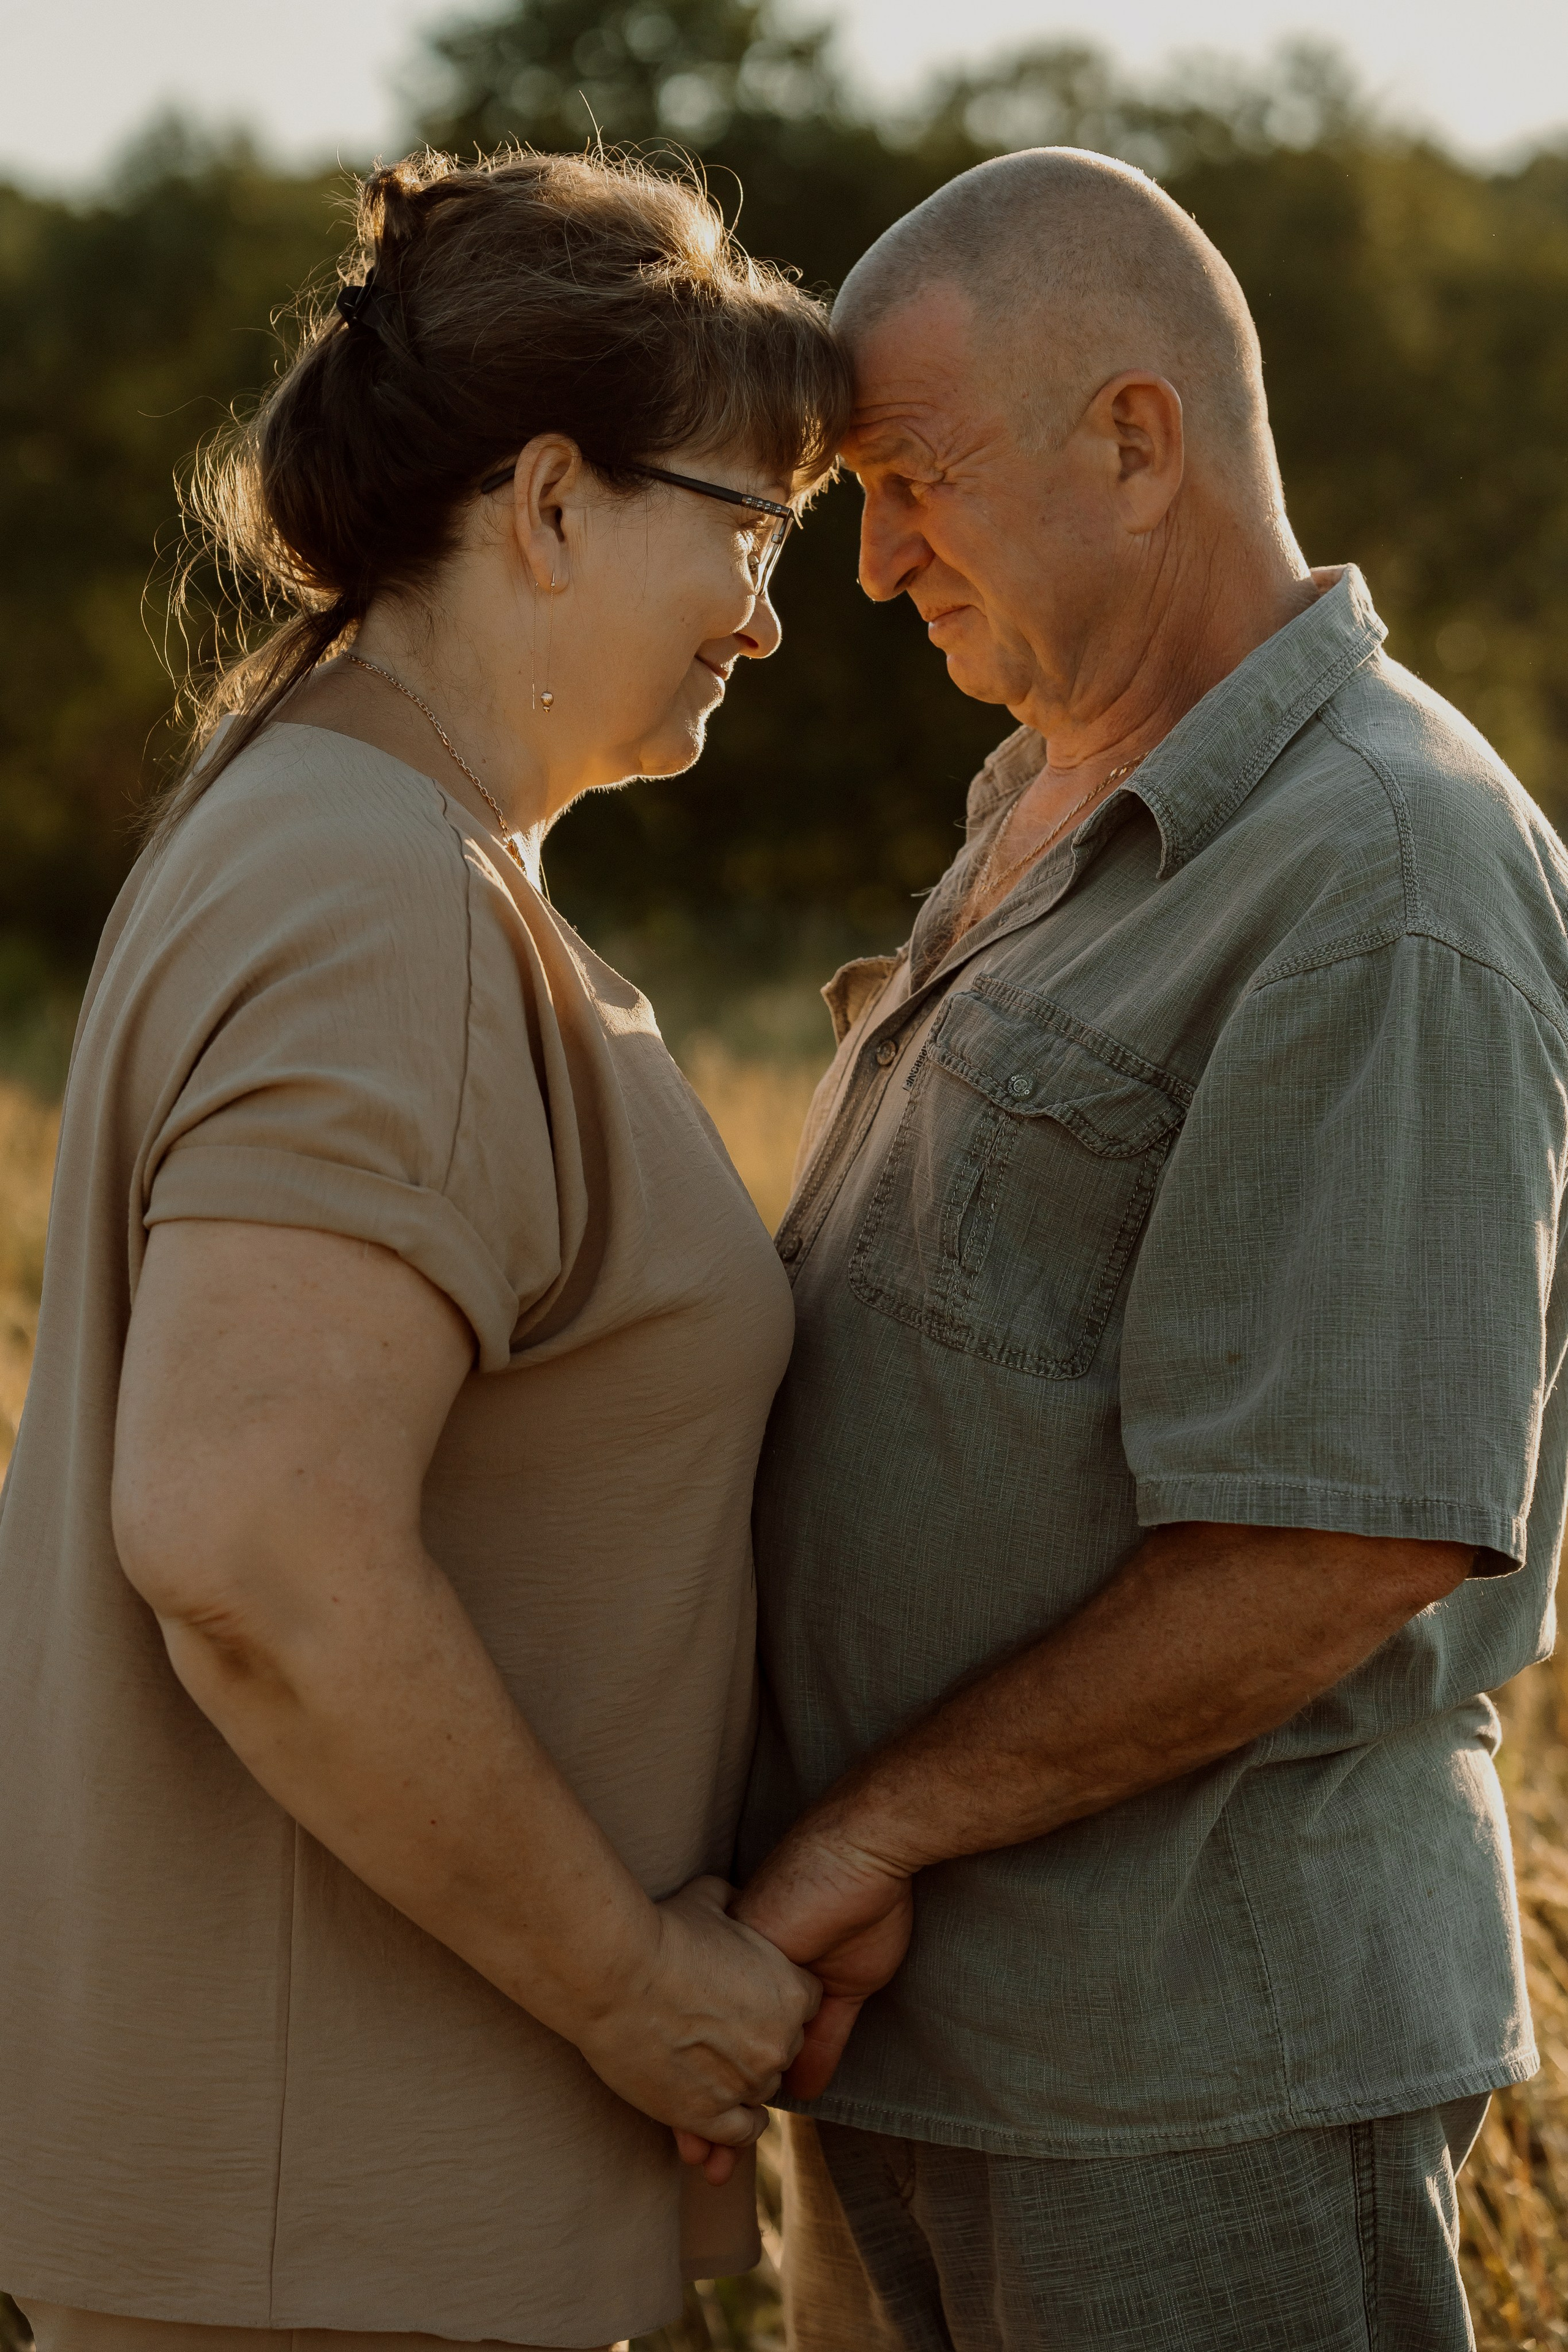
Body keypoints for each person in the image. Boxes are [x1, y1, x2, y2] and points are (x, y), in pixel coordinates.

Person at [0, 146, 850, 2352]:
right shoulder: (375, 889)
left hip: (356, 2230)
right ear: (552, 502)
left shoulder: (329, 823)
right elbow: (254, 1543)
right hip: (344, 2250)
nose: (771, 611)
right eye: (753, 528)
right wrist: (638, 1989)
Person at [734, 147, 1568, 2351]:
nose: (877, 561)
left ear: (1136, 435)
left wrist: (864, 1837)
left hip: (1189, 2077)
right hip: (915, 2042)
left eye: (909, 482)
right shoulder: (1041, 796)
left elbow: (1332, 1542)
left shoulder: (1385, 867)